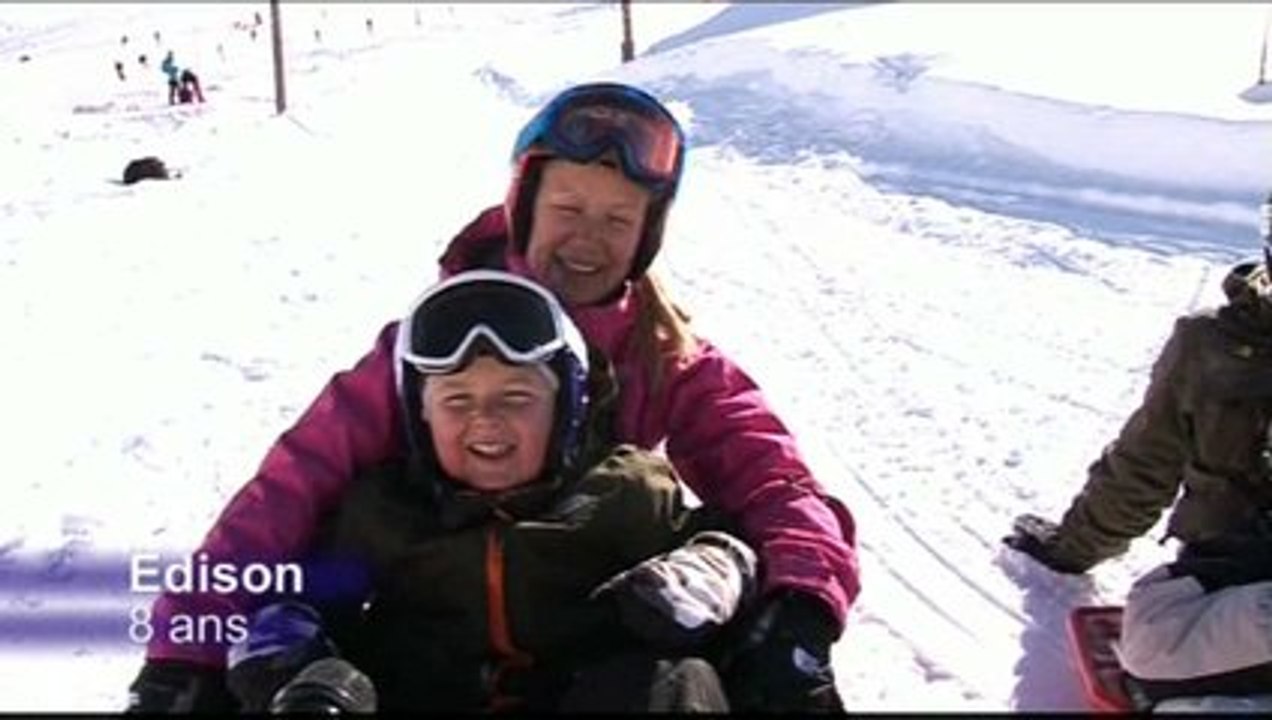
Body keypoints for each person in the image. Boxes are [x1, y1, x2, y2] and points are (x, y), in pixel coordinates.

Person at [130, 82, 857, 712]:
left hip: (594, 648)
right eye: (569, 208)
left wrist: (798, 610)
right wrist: (182, 657)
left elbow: (776, 482)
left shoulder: (663, 357)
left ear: (645, 239)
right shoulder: (430, 349)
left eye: (617, 220)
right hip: (432, 643)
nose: (587, 240)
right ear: (524, 208)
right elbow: (291, 489)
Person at [135, 270, 758, 712]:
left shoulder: (626, 491)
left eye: (517, 398)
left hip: (581, 692)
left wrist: (713, 565)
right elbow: (302, 594)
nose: (486, 422)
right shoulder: (381, 511)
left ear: (566, 408)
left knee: (674, 679)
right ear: (420, 416)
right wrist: (295, 652)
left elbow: (724, 538)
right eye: (457, 401)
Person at [1003, 193, 1272, 706]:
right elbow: (1145, 464)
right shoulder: (1211, 343)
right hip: (1234, 573)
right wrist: (1071, 548)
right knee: (1150, 638)